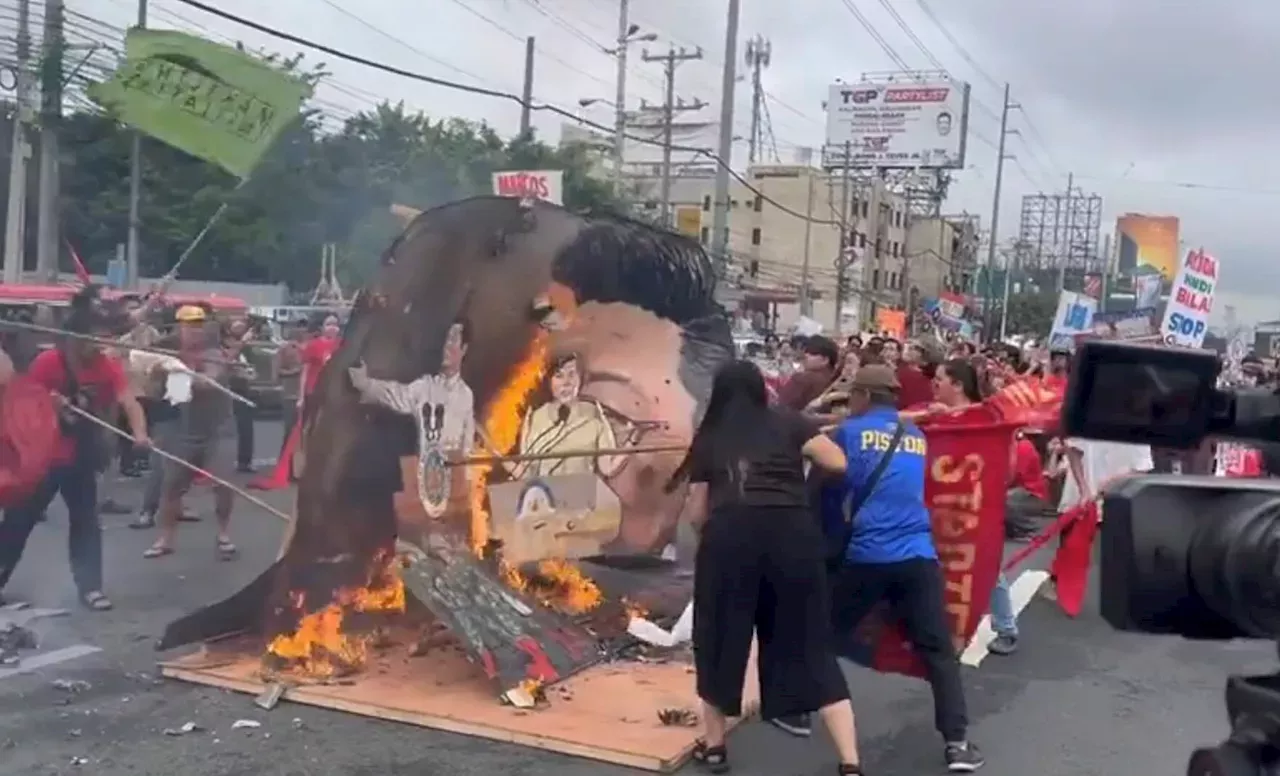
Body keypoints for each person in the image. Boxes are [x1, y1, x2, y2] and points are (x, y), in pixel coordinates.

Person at [665, 360, 862, 776]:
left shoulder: (711, 435)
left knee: (718, 641)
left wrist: (713, 532)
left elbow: (697, 512)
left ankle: (715, 748)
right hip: (793, 540)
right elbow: (838, 461)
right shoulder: (789, 422)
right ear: (759, 390)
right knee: (810, 645)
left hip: (730, 543)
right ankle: (850, 762)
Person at [818, 364, 986, 772]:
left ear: (861, 397)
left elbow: (827, 496)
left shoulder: (849, 434)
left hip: (866, 559)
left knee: (818, 640)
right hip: (917, 559)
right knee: (938, 652)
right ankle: (957, 743)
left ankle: (801, 712)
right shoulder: (916, 436)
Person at [0, 288, 150, 610]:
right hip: (41, 459)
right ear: (76, 338)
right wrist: (49, 404)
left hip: (80, 455)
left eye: (103, 338)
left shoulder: (106, 366)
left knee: (86, 521)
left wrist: (139, 433)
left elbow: (128, 401)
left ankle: (90, 587)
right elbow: (20, 403)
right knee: (17, 522)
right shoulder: (48, 362)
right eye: (94, 338)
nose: (100, 345)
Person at [143, 305, 240, 560]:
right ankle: (165, 538)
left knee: (223, 484)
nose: (193, 331)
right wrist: (156, 370)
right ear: (179, 328)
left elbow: (208, 382)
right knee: (172, 486)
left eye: (198, 325)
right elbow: (152, 391)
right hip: (186, 430)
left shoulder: (214, 354)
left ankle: (223, 534)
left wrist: (179, 373)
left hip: (220, 429)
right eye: (187, 326)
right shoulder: (169, 353)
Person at [225, 317, 257, 473]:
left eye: (242, 325)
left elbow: (251, 366)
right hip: (227, 388)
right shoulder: (224, 344)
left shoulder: (248, 348)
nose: (240, 327)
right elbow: (228, 359)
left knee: (246, 426)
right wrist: (242, 342)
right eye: (236, 324)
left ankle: (245, 461)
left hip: (244, 387)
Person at [777, 336, 838, 411]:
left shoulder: (802, 379)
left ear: (825, 360)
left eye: (812, 352)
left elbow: (780, 409)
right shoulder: (835, 382)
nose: (806, 355)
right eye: (806, 351)